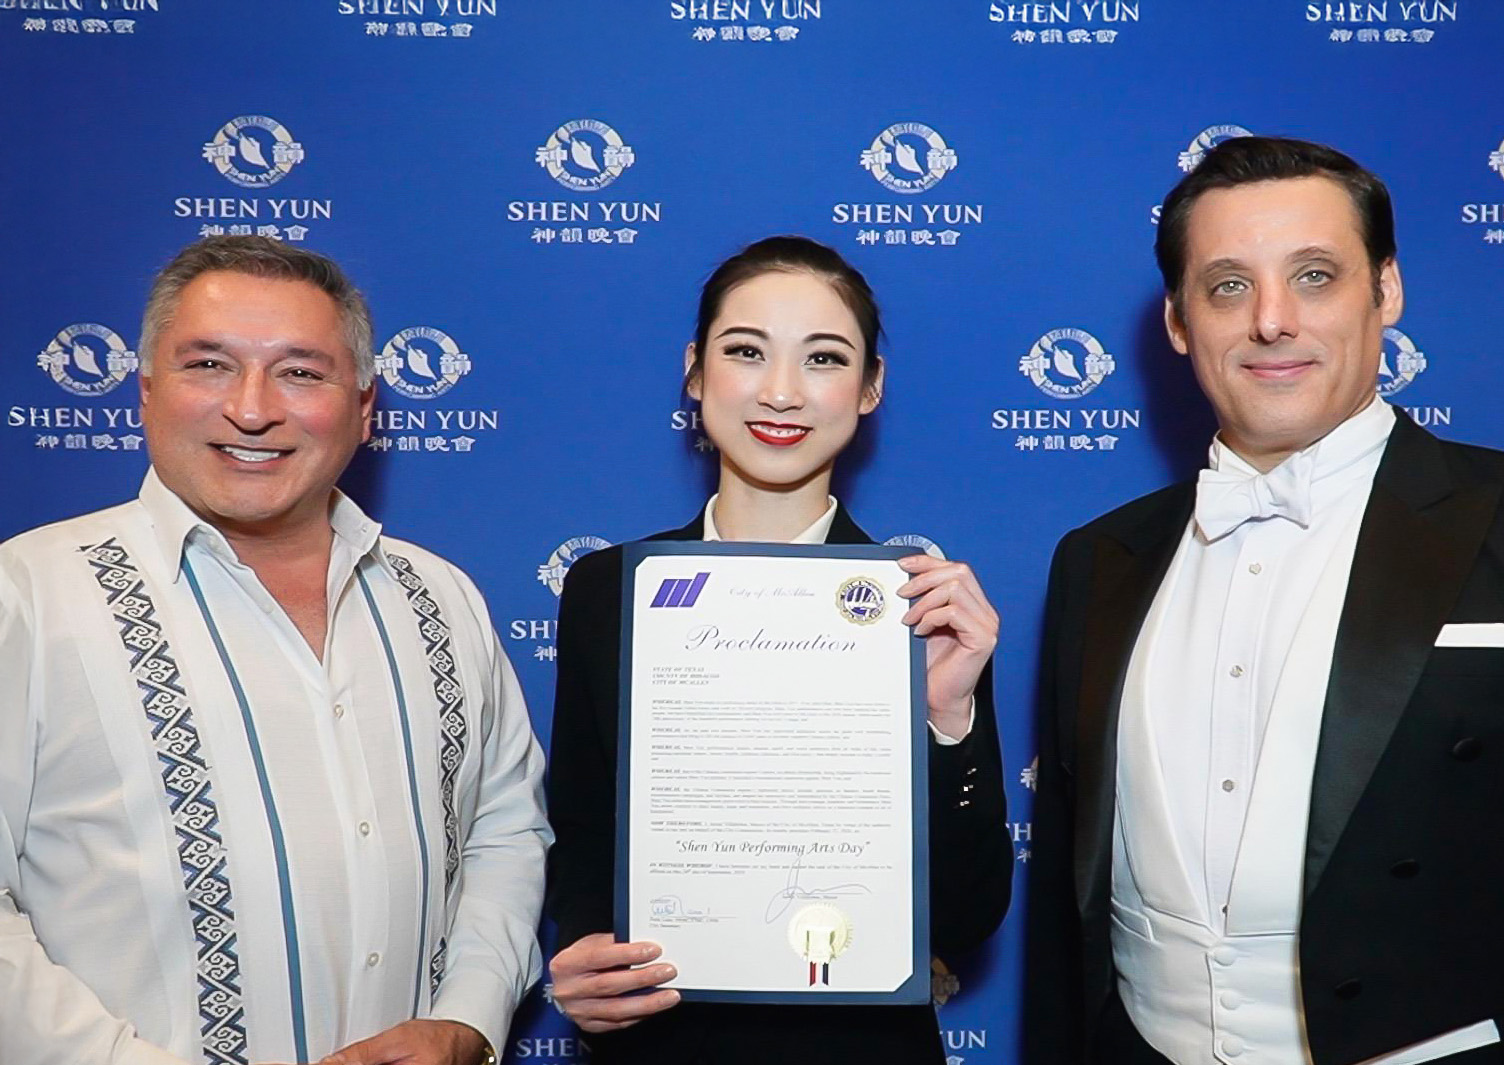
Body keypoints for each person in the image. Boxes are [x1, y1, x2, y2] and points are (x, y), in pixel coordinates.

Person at [1025, 136, 1504, 1065]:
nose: (1272, 320)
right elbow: (1067, 896)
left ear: (1387, 290)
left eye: (1315, 276)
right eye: (1227, 287)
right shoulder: (1097, 559)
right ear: (1178, 322)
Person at [0, 235, 553, 1065]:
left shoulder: (440, 596)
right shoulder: (29, 595)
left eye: (300, 372)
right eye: (209, 365)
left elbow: (502, 831)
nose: (252, 408)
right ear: (146, 390)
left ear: (364, 407)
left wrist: (466, 1021)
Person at [544, 235, 1013, 1063]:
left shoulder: (923, 606)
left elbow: (967, 916)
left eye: (824, 358)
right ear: (695, 371)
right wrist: (585, 961)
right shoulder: (607, 590)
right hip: (660, 1045)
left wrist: (947, 719)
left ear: (870, 387)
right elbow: (583, 835)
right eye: (746, 351)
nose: (782, 391)